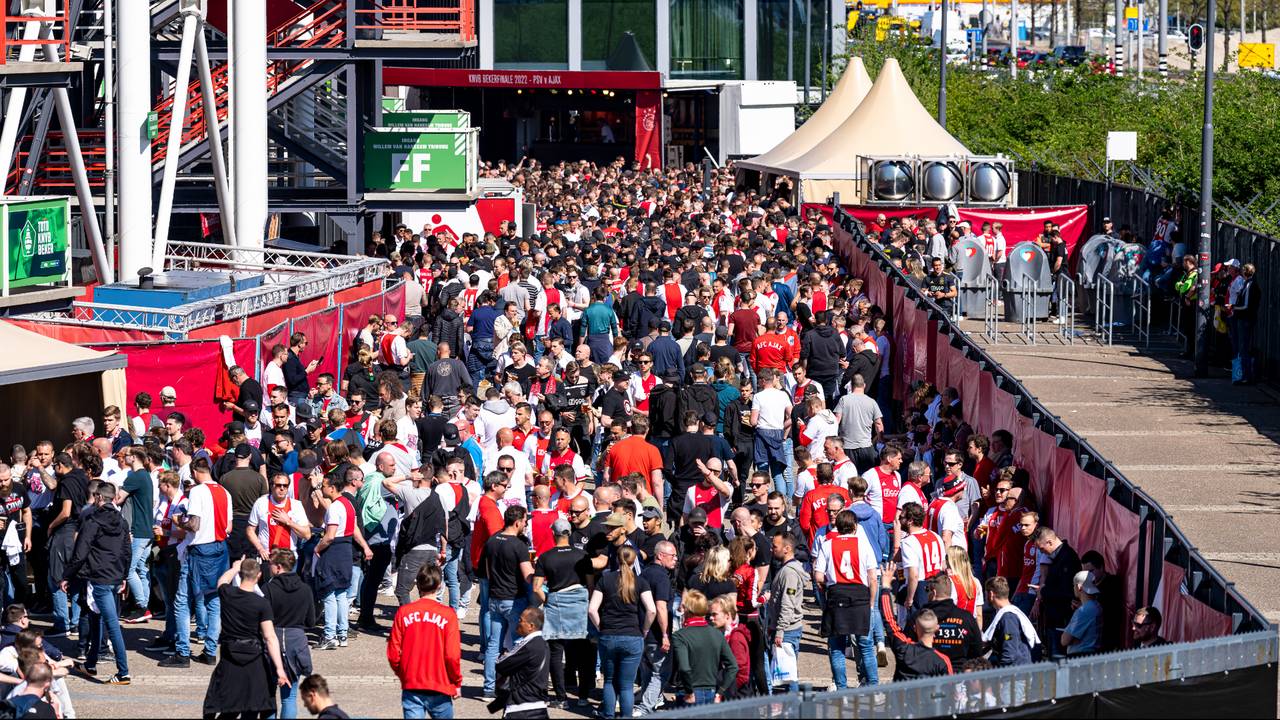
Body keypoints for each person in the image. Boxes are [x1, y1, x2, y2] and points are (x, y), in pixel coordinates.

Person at [202, 557, 289, 719]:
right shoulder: (262, 603)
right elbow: (270, 637)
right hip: (254, 659)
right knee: (251, 706)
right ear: (259, 576)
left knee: (228, 705)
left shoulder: (228, 594)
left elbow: (222, 580)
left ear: (241, 574)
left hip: (229, 656)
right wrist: (279, 668)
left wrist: (234, 567)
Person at [62, 482, 130, 684]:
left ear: (99, 497)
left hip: (99, 577)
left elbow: (80, 552)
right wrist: (124, 576)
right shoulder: (122, 520)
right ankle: (90, 664)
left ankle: (123, 672)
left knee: (111, 623)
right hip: (114, 575)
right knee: (96, 618)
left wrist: (67, 575)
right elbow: (127, 550)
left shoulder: (93, 521)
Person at [531, 519, 593, 711]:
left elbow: (536, 587)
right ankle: (583, 696)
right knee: (582, 653)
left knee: (556, 653)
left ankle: (561, 696)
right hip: (578, 605)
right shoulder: (583, 555)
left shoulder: (545, 557)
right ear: (569, 532)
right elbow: (590, 585)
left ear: (553, 533)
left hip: (556, 605)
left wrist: (548, 600)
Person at [813, 510, 878, 689]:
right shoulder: (863, 545)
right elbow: (873, 578)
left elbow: (818, 576)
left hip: (837, 595)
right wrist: (871, 602)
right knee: (865, 645)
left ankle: (841, 688)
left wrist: (828, 587)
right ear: (855, 527)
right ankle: (874, 687)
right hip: (860, 596)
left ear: (837, 527)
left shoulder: (828, 545)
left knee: (836, 647)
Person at [387, 564, 463, 719]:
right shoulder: (448, 615)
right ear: (440, 585)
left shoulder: (404, 612)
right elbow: (452, 655)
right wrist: (456, 682)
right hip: (440, 684)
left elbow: (393, 652)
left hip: (412, 683)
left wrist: (404, 673)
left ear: (418, 584)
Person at [589, 545, 655, 719]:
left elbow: (592, 609)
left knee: (609, 680)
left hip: (608, 635)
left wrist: (600, 627)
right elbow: (652, 610)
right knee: (627, 685)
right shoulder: (640, 581)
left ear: (616, 559)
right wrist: (645, 630)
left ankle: (608, 715)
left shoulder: (605, 579)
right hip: (632, 636)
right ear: (634, 561)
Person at [481, 506, 534, 699]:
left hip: (495, 597)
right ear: (518, 522)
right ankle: (515, 686)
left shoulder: (492, 540)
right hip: (513, 599)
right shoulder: (518, 545)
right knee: (518, 644)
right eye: (525, 521)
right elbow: (528, 576)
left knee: (493, 644)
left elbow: (487, 572)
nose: (525, 525)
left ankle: (488, 688)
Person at [265, 549, 315, 719]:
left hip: (273, 639)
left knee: (268, 696)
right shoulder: (305, 589)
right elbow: (311, 621)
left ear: (278, 567)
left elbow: (262, 619)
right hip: (296, 641)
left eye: (271, 564)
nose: (269, 567)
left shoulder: (268, 588)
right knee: (289, 696)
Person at [876, 570, 952, 679]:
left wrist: (885, 588)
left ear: (915, 628)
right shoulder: (942, 661)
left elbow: (889, 620)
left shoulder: (903, 649)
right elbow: (949, 689)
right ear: (936, 630)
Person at [670, 589, 737, 706]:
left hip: (689, 692)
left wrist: (690, 692)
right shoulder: (717, 634)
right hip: (712, 692)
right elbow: (733, 667)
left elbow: (684, 668)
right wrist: (720, 693)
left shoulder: (680, 636)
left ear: (688, 610)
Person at [492, 607, 550, 720]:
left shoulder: (528, 644)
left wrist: (505, 655)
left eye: (521, 620)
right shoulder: (543, 643)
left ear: (531, 626)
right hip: (538, 706)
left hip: (521, 708)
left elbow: (501, 664)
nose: (518, 623)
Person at [982, 576, 1037, 666]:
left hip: (1015, 675)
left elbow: (1010, 650)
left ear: (991, 594)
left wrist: (1002, 674)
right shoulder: (1007, 614)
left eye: (986, 593)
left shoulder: (1008, 618)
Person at [1061, 570, 1103, 656]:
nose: (1073, 588)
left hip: (1079, 658)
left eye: (1074, 585)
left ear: (1079, 587)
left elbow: (1064, 641)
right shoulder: (1097, 606)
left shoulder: (1083, 611)